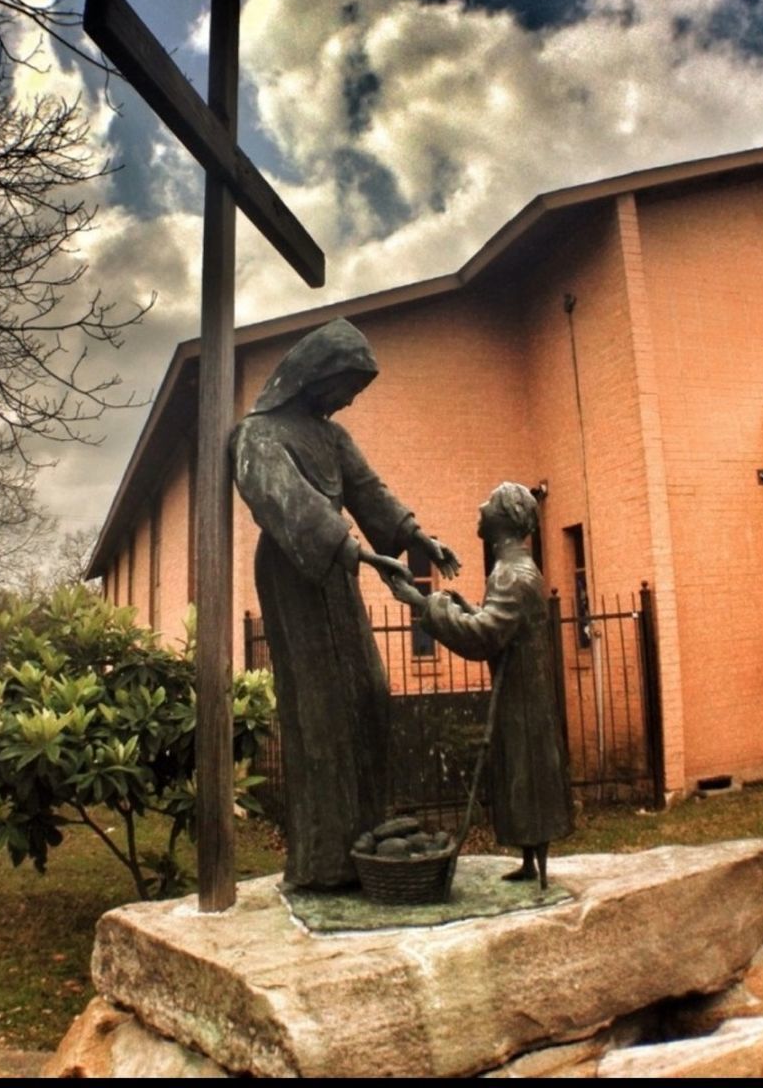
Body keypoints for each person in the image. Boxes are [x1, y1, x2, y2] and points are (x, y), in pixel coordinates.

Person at [231, 317, 460, 890]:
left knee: (368, 694)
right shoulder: (258, 435)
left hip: (340, 570)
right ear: (317, 375)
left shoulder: (331, 437)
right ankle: (323, 861)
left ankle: (366, 838)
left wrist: (413, 536)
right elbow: (290, 508)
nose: (350, 400)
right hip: (295, 572)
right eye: (347, 387)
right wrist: (356, 553)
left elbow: (367, 489)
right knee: (320, 712)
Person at [380, 482, 572, 889]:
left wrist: (422, 603)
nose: (481, 506)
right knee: (522, 777)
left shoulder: (512, 574)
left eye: (490, 502)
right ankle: (530, 863)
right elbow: (499, 625)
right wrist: (466, 609)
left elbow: (484, 637)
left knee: (528, 775)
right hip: (520, 695)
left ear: (503, 519)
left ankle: (538, 868)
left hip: (522, 701)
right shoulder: (512, 570)